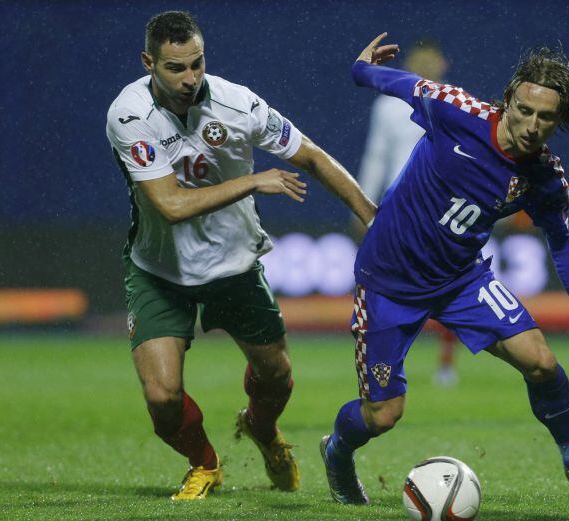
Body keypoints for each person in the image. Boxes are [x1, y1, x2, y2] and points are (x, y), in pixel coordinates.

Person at [320, 33, 569, 506]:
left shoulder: (545, 178)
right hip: (388, 281)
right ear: (507, 101)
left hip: (461, 280)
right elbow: (389, 81)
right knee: (382, 415)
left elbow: (562, 240)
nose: (531, 124)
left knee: (543, 363)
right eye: (524, 110)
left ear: (557, 122)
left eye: (545, 117)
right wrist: (361, 68)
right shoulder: (454, 110)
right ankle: (338, 451)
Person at [105, 11, 375, 500]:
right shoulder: (128, 115)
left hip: (233, 266)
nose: (190, 79)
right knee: (162, 397)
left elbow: (312, 155)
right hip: (159, 270)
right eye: (175, 68)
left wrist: (372, 218)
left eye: (197, 64)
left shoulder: (238, 103)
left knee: (277, 378)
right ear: (148, 62)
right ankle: (204, 463)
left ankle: (263, 430)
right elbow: (169, 205)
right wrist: (253, 180)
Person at [354, 39, 460, 387]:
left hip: (441, 208)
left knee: (448, 285)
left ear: (443, 63)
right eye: (422, 60)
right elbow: (375, 156)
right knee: (386, 288)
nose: (429, 66)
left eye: (434, 59)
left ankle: (445, 363)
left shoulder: (456, 103)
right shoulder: (388, 106)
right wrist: (362, 201)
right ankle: (387, 364)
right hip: (396, 208)